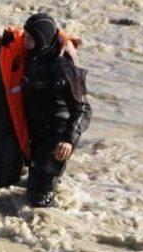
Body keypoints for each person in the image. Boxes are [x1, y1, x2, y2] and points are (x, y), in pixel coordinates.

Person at [0, 16, 78, 188]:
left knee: (6, 182)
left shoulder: (14, 43)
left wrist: (65, 38)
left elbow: (43, 30)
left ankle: (16, 166)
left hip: (7, 129)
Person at [22, 13, 92, 207]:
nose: (24, 42)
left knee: (38, 201)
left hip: (58, 138)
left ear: (41, 39)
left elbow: (84, 109)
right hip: (37, 135)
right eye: (25, 37)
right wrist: (62, 34)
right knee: (29, 187)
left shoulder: (62, 67)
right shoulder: (34, 55)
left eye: (29, 38)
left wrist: (68, 140)